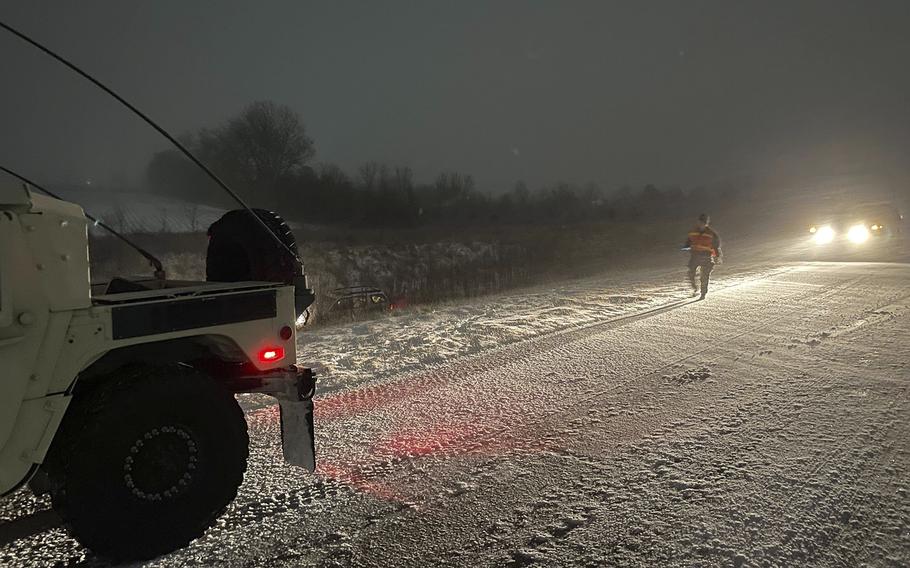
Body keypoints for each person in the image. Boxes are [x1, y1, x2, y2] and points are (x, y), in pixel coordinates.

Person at [683, 213, 722, 300]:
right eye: (700, 222)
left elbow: (716, 246)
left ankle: (703, 293)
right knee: (691, 273)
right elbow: (688, 242)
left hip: (706, 256)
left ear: (706, 223)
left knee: (704, 276)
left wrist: (717, 257)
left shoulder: (712, 234)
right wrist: (686, 247)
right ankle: (695, 288)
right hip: (695, 256)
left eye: (703, 223)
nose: (701, 224)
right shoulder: (693, 232)